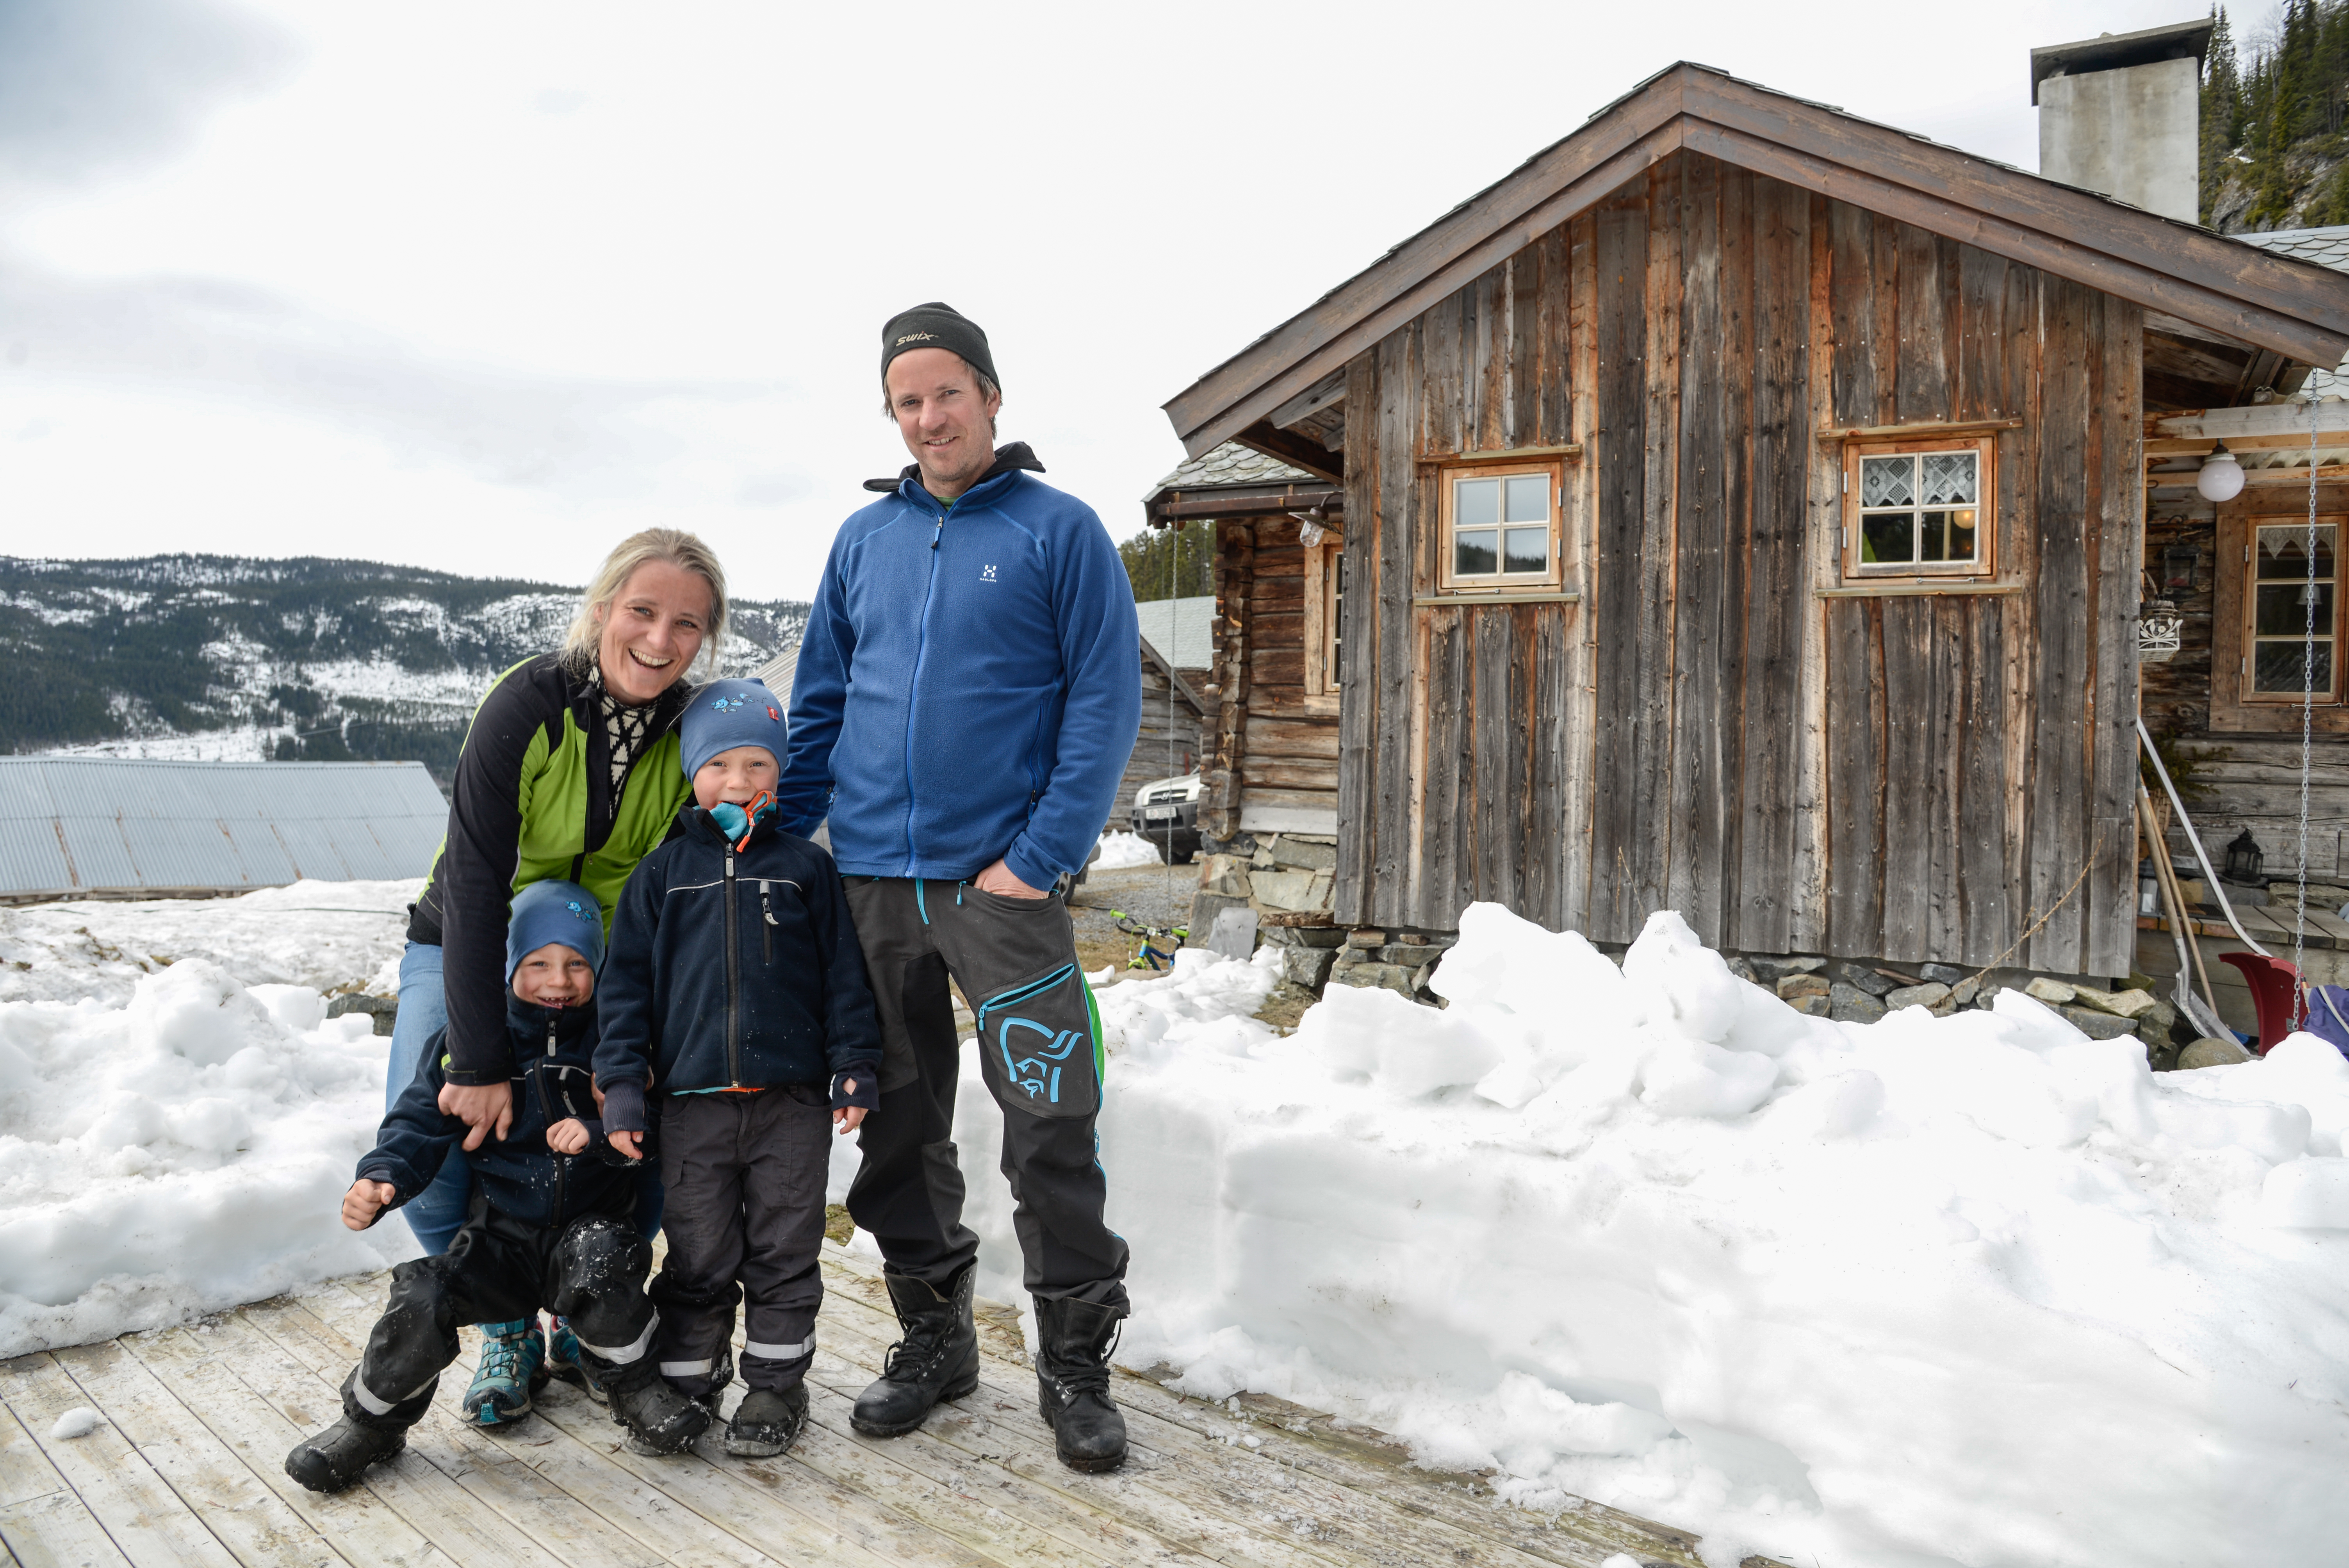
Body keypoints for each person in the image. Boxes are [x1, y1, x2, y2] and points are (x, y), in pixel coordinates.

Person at [775, 302, 1142, 1472]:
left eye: (946, 392)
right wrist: (790, 840)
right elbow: (824, 701)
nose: (929, 417)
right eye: (907, 402)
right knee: (894, 1125)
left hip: (1004, 895)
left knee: (1051, 1119)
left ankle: (1076, 1367)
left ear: (989, 395)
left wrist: (1037, 860)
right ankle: (935, 1341)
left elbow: (1104, 701)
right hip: (872, 882)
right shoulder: (862, 540)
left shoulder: (1058, 530)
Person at [389, 529, 724, 1416]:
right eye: (643, 612)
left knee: (639, 1122)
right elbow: (473, 883)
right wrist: (479, 1056)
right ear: (604, 609)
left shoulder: (687, 729)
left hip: (605, 958)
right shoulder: (528, 704)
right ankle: (506, 1323)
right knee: (443, 1118)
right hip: (472, 937)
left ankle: (585, 1301)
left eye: (687, 624)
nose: (660, 639)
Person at [283, 882, 709, 1494]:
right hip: (501, 1237)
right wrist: (382, 1179)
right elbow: (419, 1122)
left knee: (603, 1261)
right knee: (425, 1291)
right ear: (511, 965)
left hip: (589, 1231)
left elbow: (666, 1122)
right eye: (537, 963)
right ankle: (370, 1424)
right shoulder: (475, 1045)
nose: (557, 981)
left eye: (577, 964)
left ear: (600, 967)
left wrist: (600, 1130)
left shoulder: (622, 1040)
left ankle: (635, 1388)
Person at [594, 677, 884, 1457]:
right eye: (722, 765)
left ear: (779, 775)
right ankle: (688, 1379)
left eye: (759, 765)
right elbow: (623, 993)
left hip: (788, 1105)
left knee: (785, 1249)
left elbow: (842, 976)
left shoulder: (804, 869)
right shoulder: (660, 876)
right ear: (694, 773)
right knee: (698, 1253)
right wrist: (621, 1087)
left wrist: (853, 1063)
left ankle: (774, 1384)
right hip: (690, 1108)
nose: (740, 783)